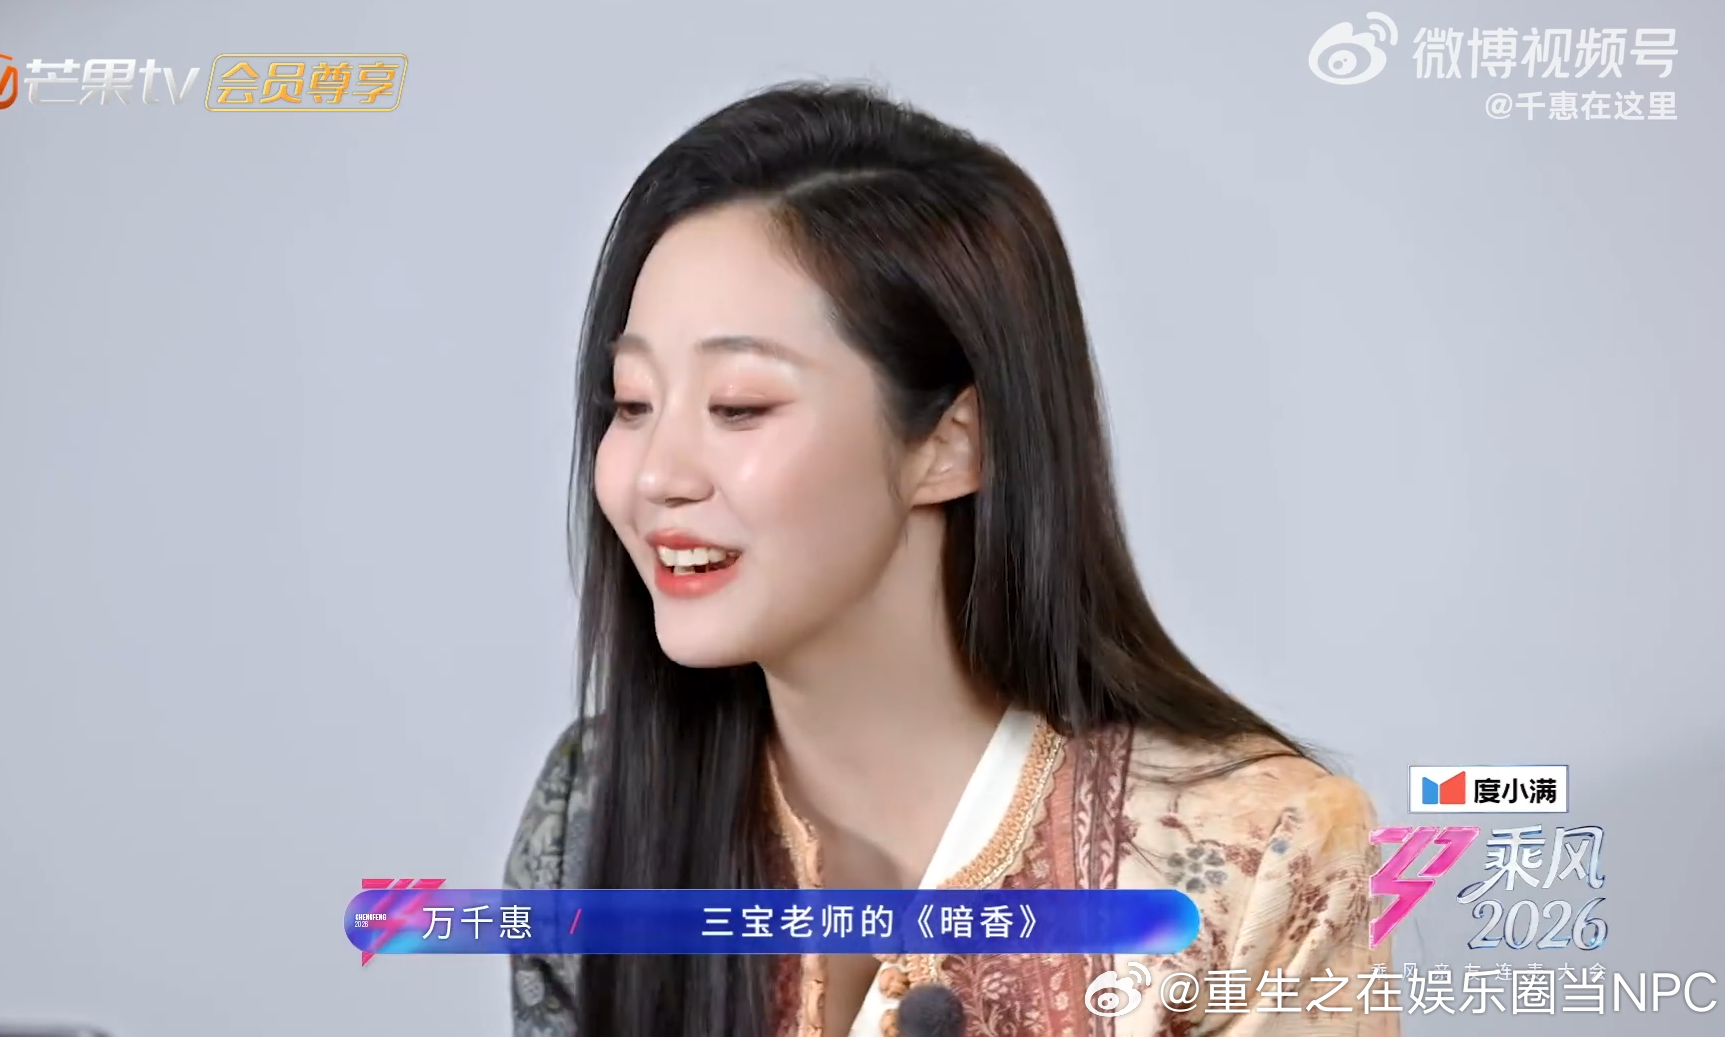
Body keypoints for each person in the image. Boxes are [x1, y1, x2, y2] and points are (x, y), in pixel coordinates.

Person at [503, 81, 1394, 1037]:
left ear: (951, 444)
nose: (655, 476)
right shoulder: (591, 822)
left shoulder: (1261, 857)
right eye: (632, 403)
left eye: (739, 407)